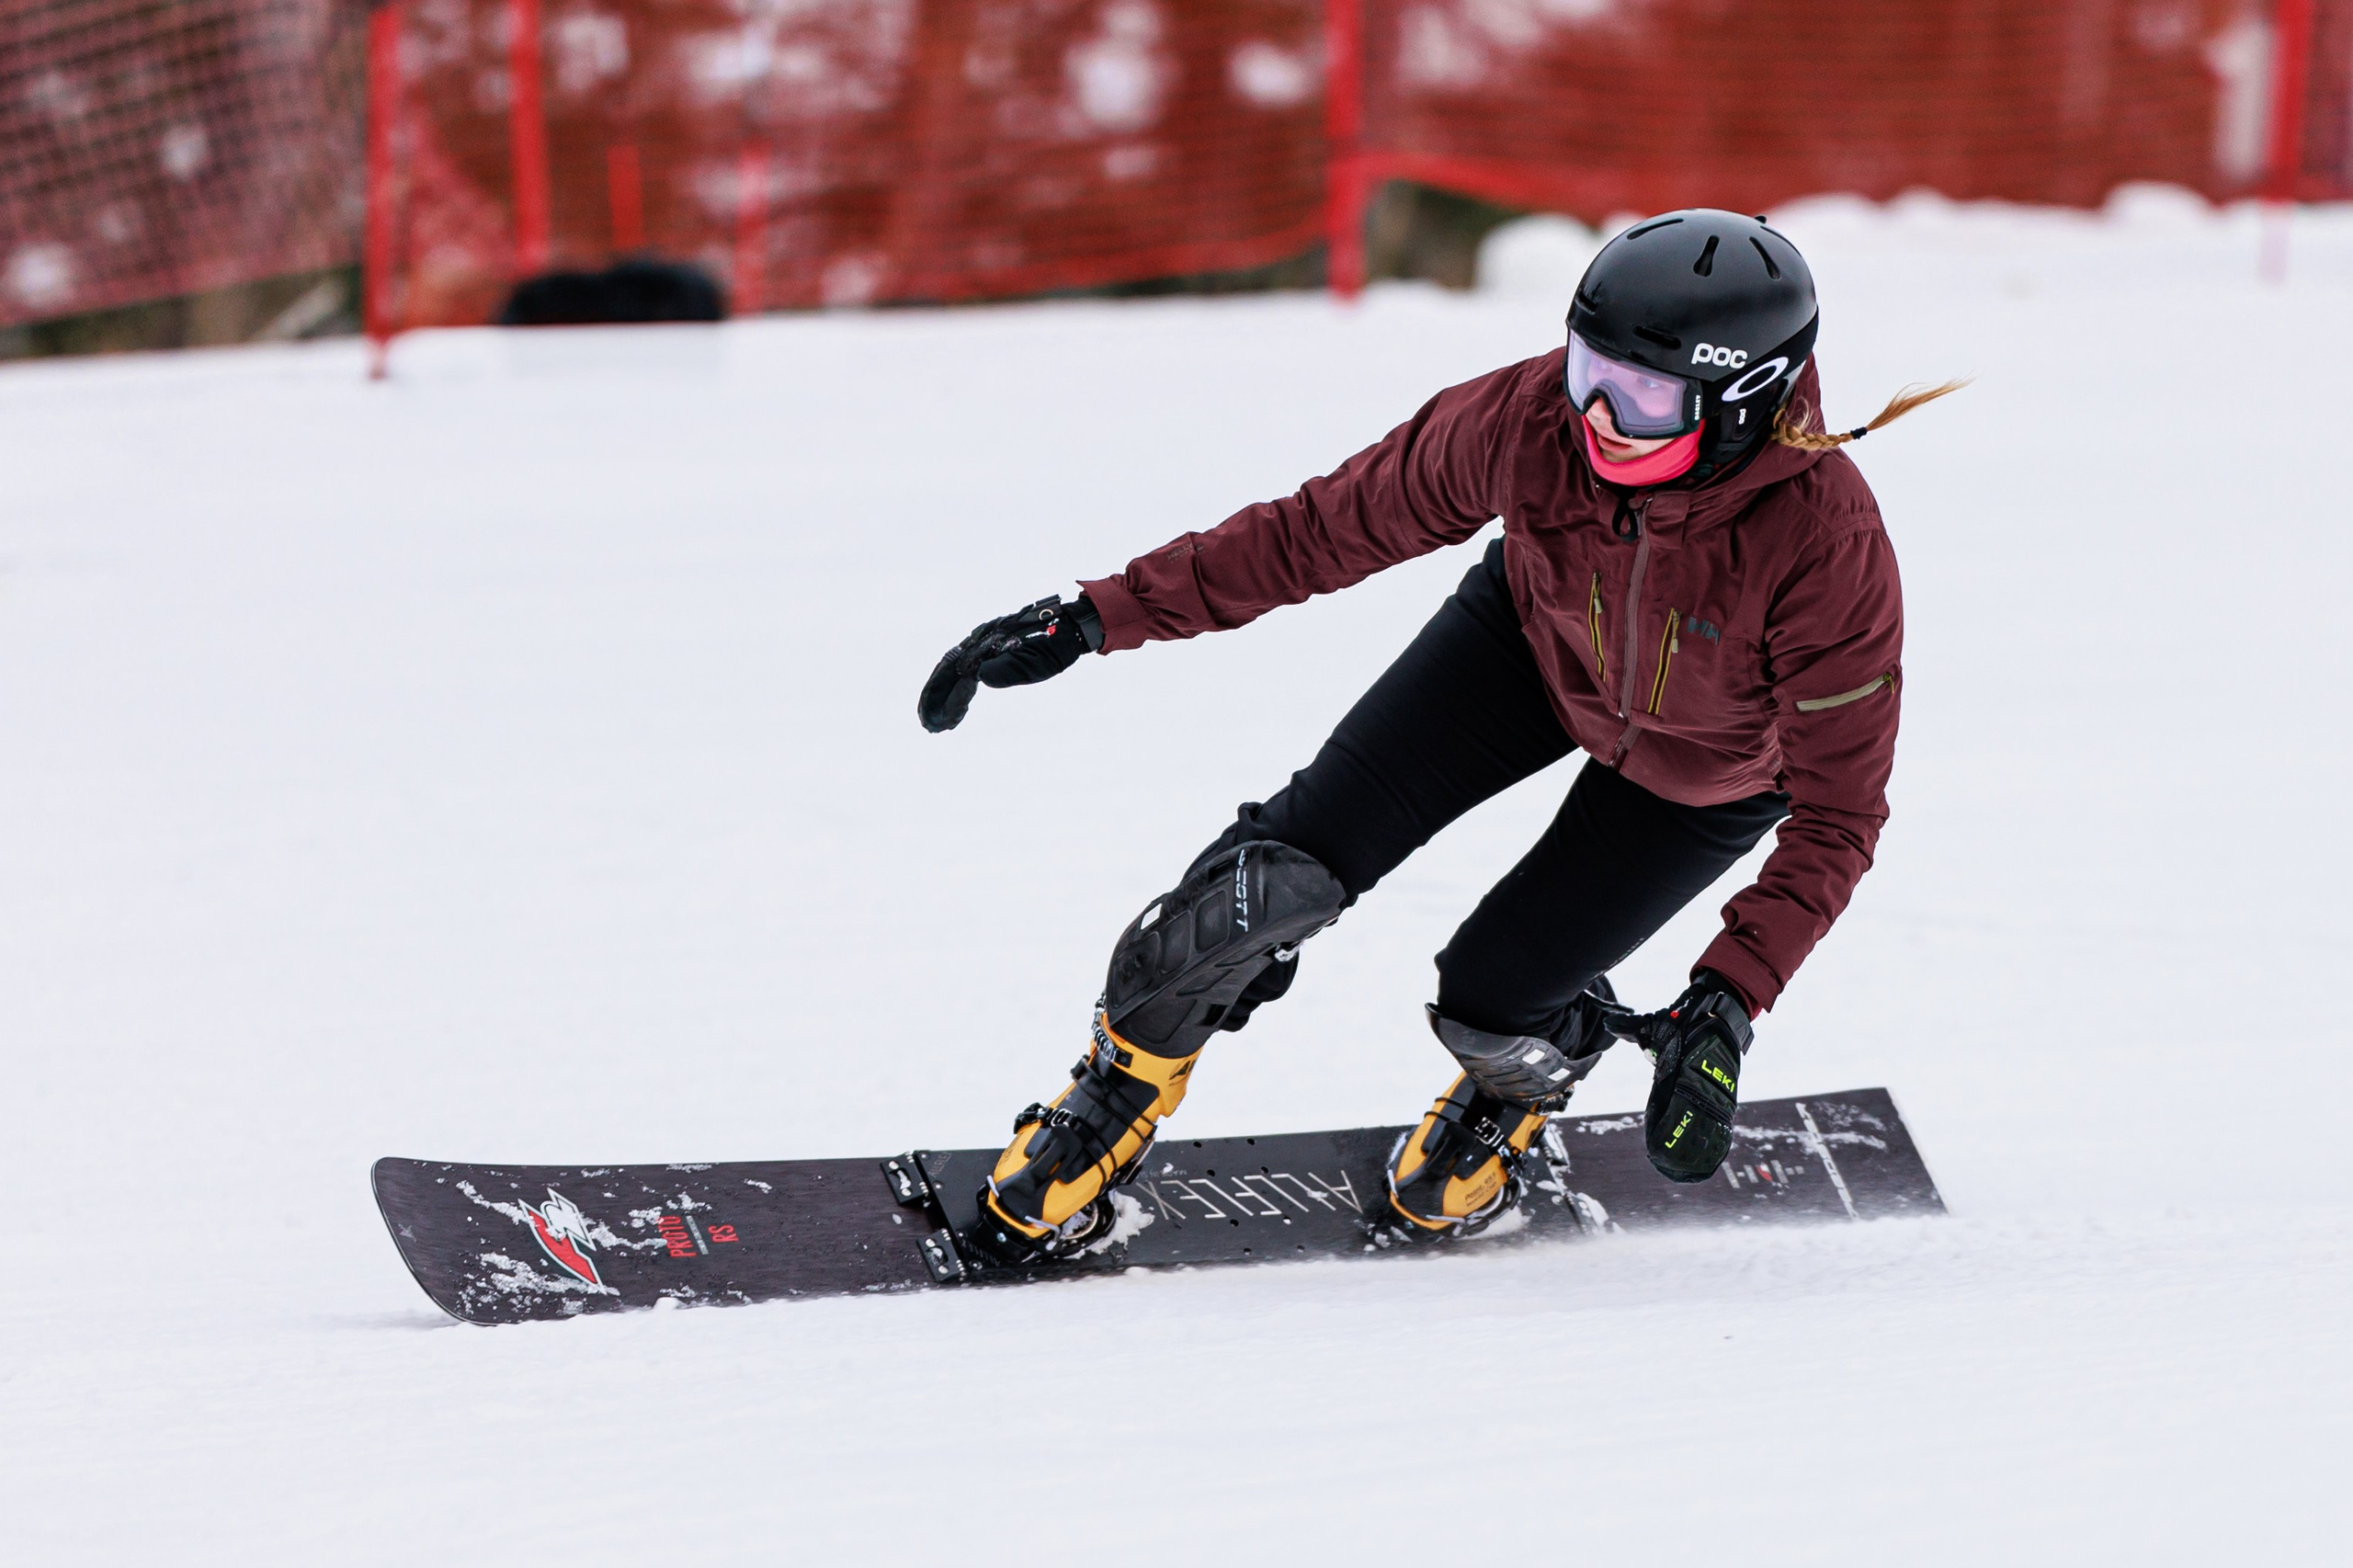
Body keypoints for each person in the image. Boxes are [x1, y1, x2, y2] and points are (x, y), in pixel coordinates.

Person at [917, 210, 1958, 1262]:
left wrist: (1727, 995)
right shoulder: (1531, 419)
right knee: (1258, 886)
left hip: (1707, 771)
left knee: (1492, 1002)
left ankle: (1531, 1063)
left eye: (1644, 396)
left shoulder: (1826, 548)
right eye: (1589, 369)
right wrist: (1097, 616)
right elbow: (1321, 528)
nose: (1599, 415)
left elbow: (1839, 816)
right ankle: (1118, 1088)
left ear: (1744, 403)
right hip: (1531, 644)